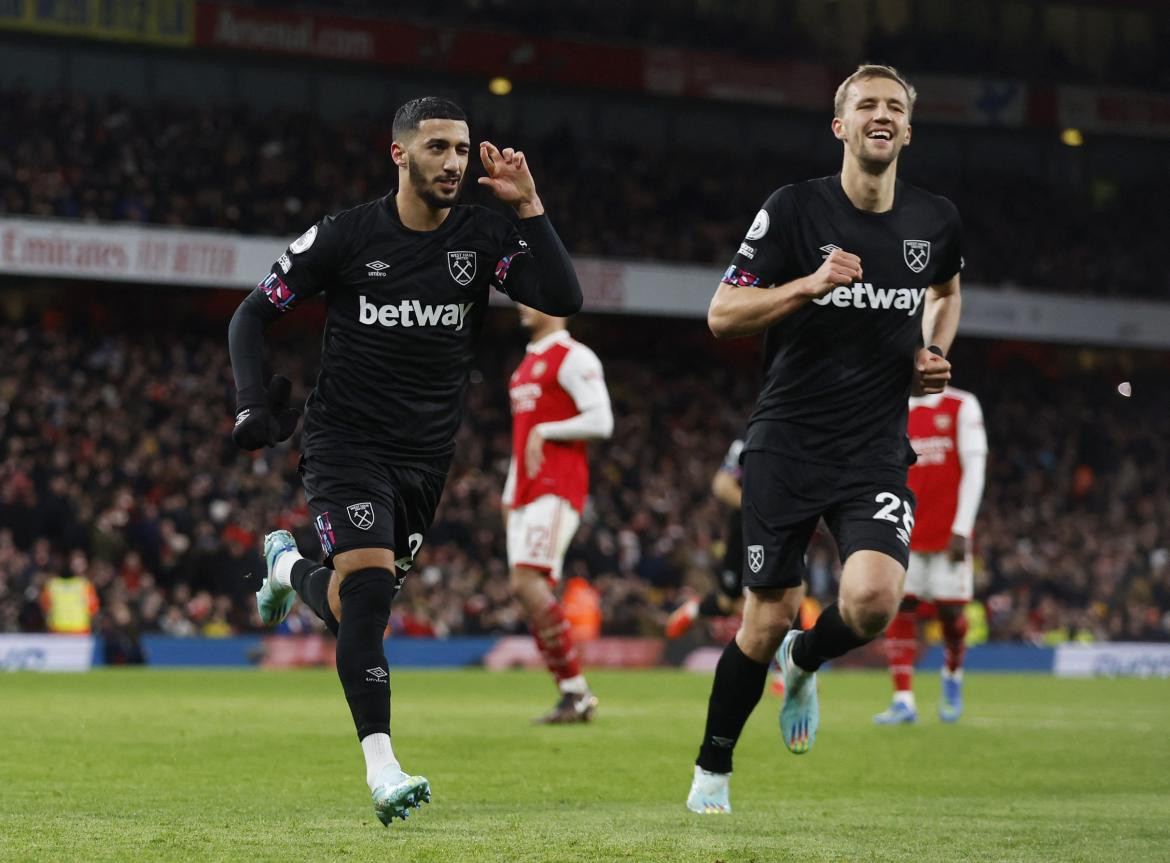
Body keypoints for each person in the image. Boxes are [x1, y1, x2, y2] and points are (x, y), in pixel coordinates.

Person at [227, 97, 582, 826]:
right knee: (366, 597)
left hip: (426, 458)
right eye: (439, 148)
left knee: (358, 600)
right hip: (344, 441)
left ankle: (286, 566)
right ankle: (383, 767)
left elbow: (562, 294)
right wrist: (249, 405)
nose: (454, 161)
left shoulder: (484, 235)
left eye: (463, 148)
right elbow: (250, 314)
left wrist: (531, 206)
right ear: (400, 154)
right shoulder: (348, 233)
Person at [686, 64, 963, 814]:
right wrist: (807, 285)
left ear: (908, 129)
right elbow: (721, 313)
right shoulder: (795, 209)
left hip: (874, 444)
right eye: (866, 104)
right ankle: (713, 767)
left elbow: (947, 287)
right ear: (840, 126)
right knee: (764, 615)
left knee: (873, 600)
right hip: (786, 442)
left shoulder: (935, 219)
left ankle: (805, 658)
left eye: (894, 106)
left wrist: (933, 352)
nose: (881, 114)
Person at [501, 304, 613, 722]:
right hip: (527, 491)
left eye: (531, 297)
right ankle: (572, 693)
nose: (521, 304)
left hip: (556, 485)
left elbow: (602, 421)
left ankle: (576, 691)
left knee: (527, 582)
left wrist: (548, 430)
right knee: (524, 588)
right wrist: (509, 495)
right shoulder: (524, 368)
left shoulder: (574, 356)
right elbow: (519, 440)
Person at [874, 386, 986, 724]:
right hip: (904, 531)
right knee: (899, 608)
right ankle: (903, 698)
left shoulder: (960, 405)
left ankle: (952, 673)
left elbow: (975, 470)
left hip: (947, 534)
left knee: (951, 613)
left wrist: (962, 529)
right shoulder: (893, 407)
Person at [666, 439, 746, 638]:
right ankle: (695, 608)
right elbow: (722, 485)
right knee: (728, 601)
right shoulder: (751, 435)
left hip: (784, 528)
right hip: (749, 526)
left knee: (790, 591)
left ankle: (788, 664)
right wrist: (762, 512)